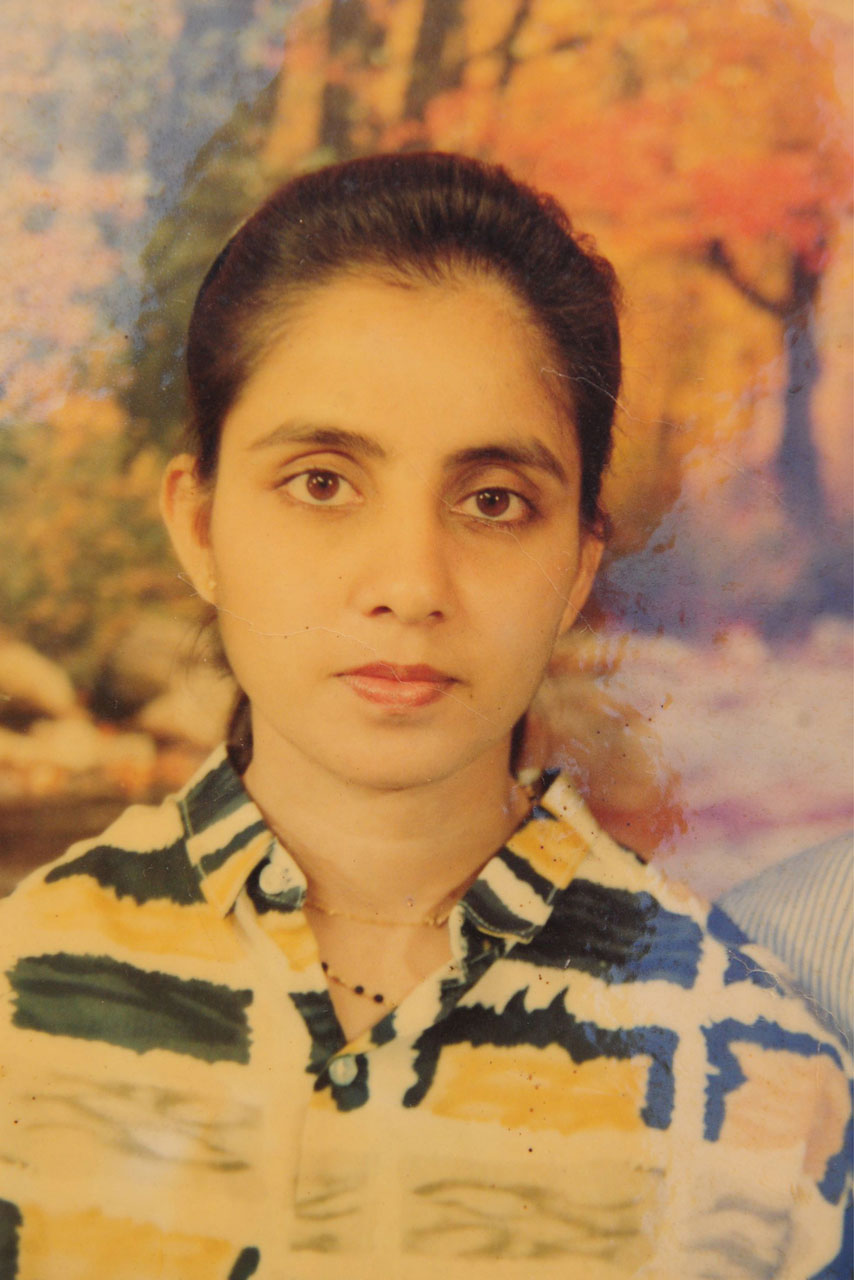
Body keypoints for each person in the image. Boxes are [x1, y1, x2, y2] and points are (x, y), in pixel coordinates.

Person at [0, 153, 849, 1280]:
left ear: (575, 567)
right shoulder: (22, 992)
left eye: (493, 500)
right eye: (322, 482)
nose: (409, 582)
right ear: (199, 527)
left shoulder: (745, 1061)